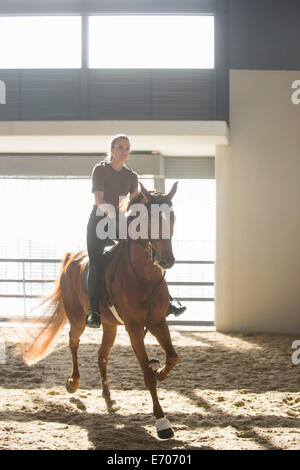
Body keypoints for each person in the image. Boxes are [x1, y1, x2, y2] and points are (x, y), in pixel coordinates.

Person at [86, 134, 186, 328]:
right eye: (120, 147)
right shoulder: (100, 170)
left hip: (120, 220)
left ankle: (168, 301)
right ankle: (93, 311)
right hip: (99, 219)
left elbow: (136, 200)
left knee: (146, 253)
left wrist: (156, 198)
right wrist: (115, 214)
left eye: (127, 148)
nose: (124, 151)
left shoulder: (131, 176)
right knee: (96, 262)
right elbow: (99, 201)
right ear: (112, 150)